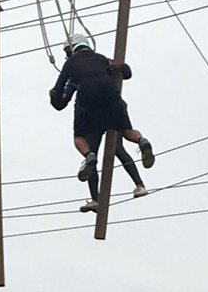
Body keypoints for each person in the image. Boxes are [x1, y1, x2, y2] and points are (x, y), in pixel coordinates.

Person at [49, 34, 155, 191]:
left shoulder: (71, 65)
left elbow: (60, 98)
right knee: (125, 135)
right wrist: (118, 67)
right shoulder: (101, 59)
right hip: (111, 101)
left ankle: (89, 163)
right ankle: (141, 141)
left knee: (83, 142)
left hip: (89, 105)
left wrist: (53, 96)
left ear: (72, 49)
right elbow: (127, 71)